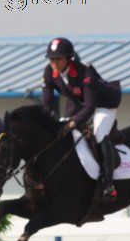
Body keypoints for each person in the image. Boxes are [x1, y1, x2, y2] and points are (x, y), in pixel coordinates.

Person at [41, 37, 122, 202]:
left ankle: (108, 184)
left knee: (99, 134)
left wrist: (71, 124)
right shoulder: (49, 72)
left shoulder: (86, 74)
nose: (54, 63)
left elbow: (90, 108)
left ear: (68, 58)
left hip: (103, 103)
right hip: (79, 102)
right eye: (51, 59)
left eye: (58, 59)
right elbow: (46, 106)